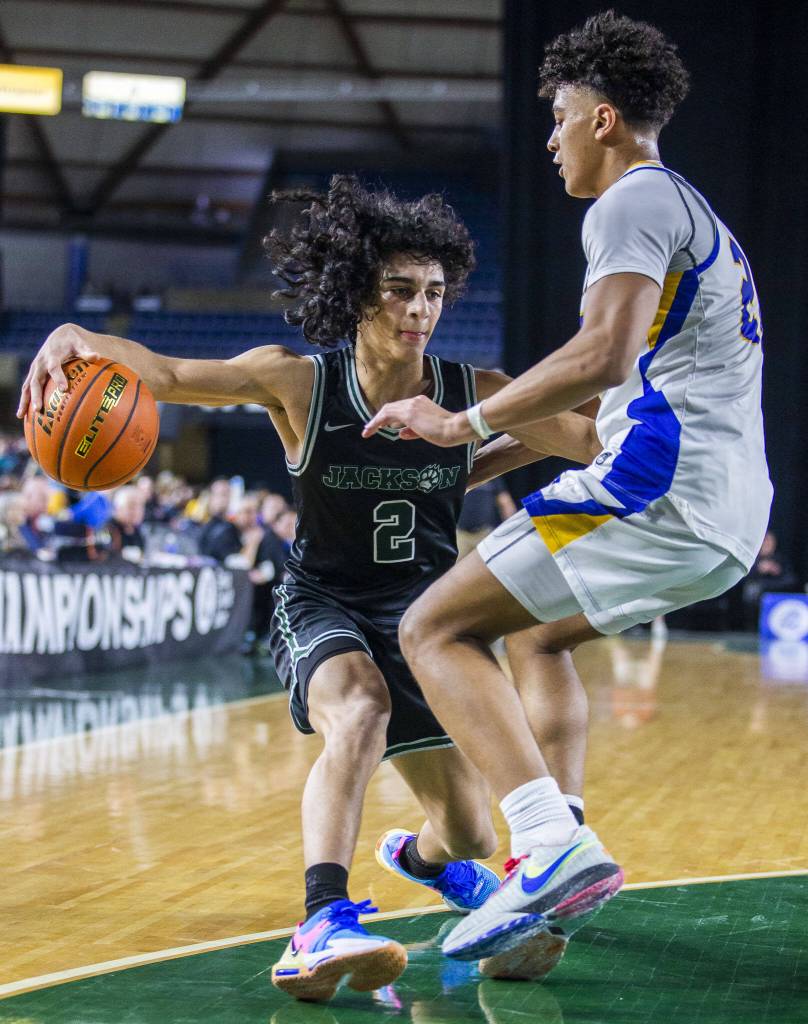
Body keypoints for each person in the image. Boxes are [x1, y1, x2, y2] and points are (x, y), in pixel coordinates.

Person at [18, 175, 599, 1002]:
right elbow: (169, 373)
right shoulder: (298, 381)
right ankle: (321, 919)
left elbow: (586, 439)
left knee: (469, 832)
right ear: (358, 292)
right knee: (356, 708)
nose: (420, 309)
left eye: (434, 292)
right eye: (400, 289)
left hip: (426, 621)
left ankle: (424, 863)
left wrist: (627, 406)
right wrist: (81, 334)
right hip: (323, 601)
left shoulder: (479, 393)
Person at [363, 10, 772, 978]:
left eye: (557, 115)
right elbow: (593, 404)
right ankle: (554, 863)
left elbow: (599, 356)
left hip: (664, 488)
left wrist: (454, 422)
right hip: (720, 507)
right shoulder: (690, 212)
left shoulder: (630, 202)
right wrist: (476, 457)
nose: (548, 138)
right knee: (534, 634)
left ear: (601, 118)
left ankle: (546, 846)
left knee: (430, 629)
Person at [197, 478, 241, 563]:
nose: (223, 500)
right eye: (220, 494)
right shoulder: (195, 523)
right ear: (210, 496)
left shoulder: (230, 528)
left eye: (227, 494)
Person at [106, 485, 146, 556]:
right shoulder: (108, 528)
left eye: (140, 506)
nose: (136, 511)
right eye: (131, 506)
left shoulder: (136, 530)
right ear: (118, 507)